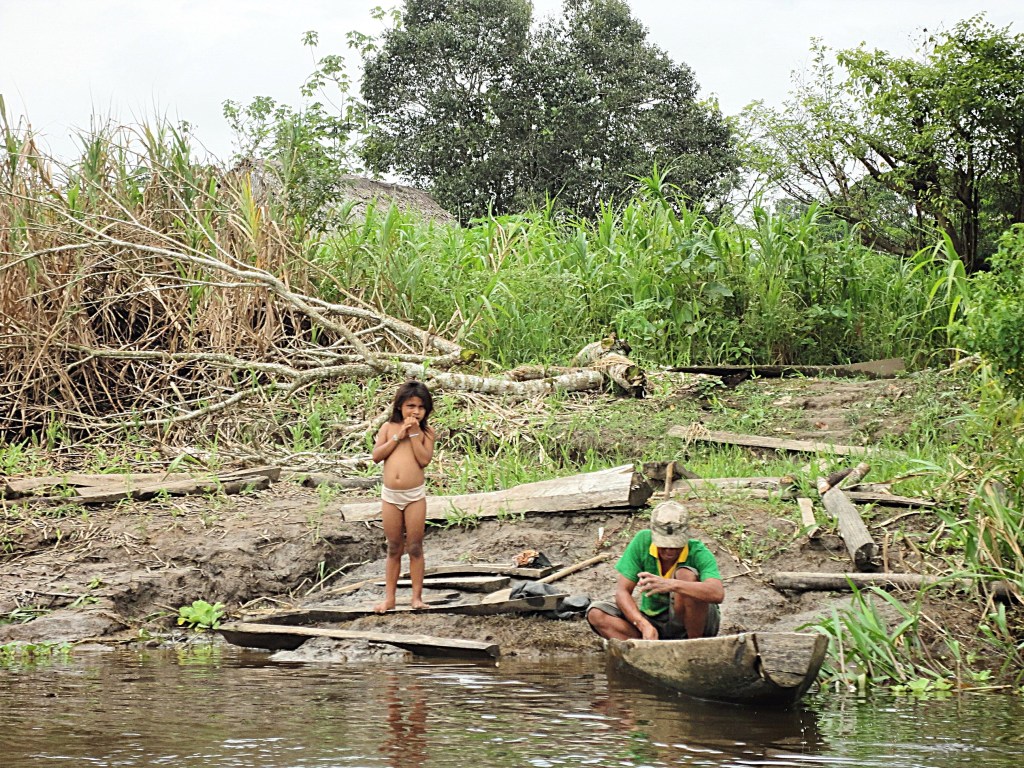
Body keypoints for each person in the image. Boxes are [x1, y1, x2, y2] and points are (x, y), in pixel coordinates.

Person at [587, 500, 724, 640]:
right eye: (663, 545)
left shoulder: (697, 551)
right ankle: (646, 647)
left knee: (685, 575)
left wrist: (672, 584)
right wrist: (642, 624)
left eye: (675, 545)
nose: (669, 550)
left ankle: (693, 646)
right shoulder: (642, 541)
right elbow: (622, 592)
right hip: (653, 622)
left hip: (692, 625)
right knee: (597, 613)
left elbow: (717, 593)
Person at [371, 381, 436, 613]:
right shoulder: (388, 428)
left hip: (414, 496)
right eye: (410, 406)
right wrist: (399, 436)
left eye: (421, 407)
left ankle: (416, 598)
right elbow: (377, 456)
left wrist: (414, 433)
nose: (415, 411)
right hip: (390, 496)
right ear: (400, 406)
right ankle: (390, 599)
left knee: (415, 546)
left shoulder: (426, 432)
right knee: (394, 546)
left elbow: (424, 460)